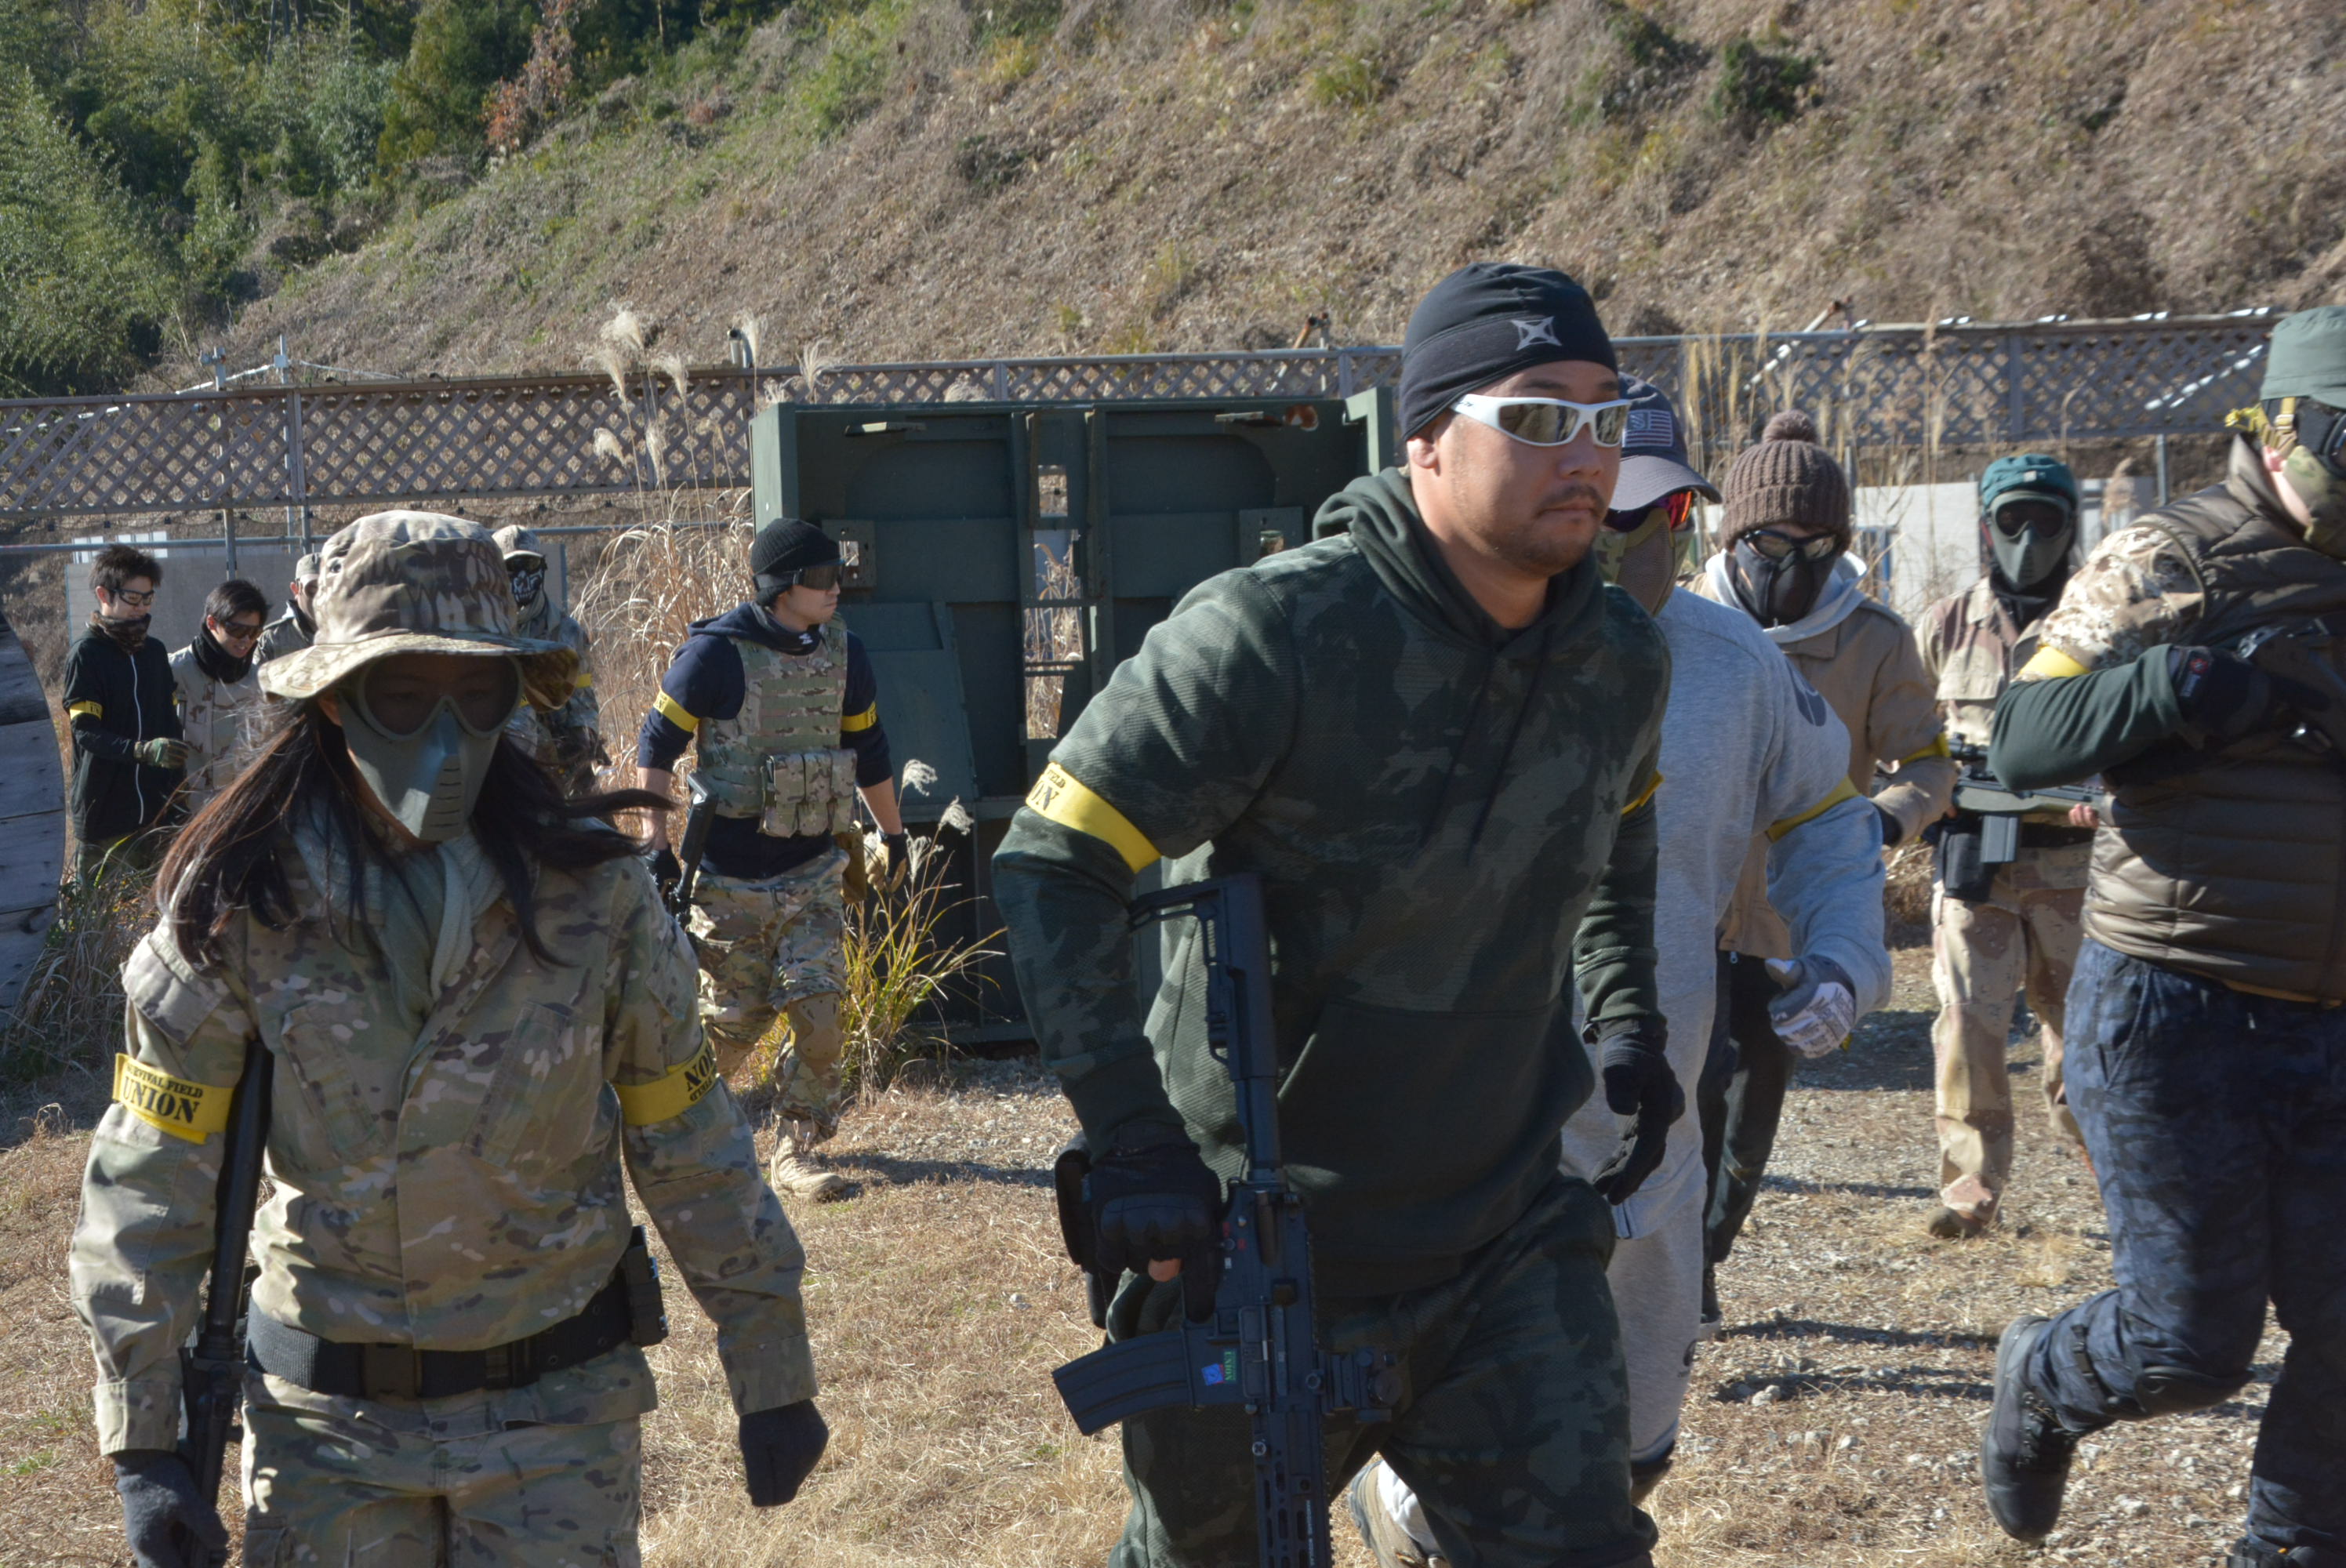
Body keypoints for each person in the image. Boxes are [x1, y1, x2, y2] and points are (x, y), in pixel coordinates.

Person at [995, 263, 1677, 1568]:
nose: (1587, 453)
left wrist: (1629, 1017)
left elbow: (1618, 838)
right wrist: (1133, 1138)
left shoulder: (1621, 661)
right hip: (1260, 1243)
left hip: (1503, 1238)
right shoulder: (1274, 636)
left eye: (1608, 417)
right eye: (1540, 417)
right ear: (1426, 440)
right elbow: (1052, 859)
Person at [68, 511, 826, 1568]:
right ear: (334, 698)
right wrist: (145, 1438)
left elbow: (686, 1128)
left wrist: (769, 1360)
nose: (445, 733)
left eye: (478, 694)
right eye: (402, 694)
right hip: (329, 1441)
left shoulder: (590, 893)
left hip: (555, 1428)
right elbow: (154, 1166)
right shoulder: (241, 901)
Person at [1349, 377, 1893, 1561]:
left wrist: (1847, 955)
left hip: (1648, 1143)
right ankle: (1413, 1512)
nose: (1611, 537)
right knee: (1464, 1468)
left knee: (1634, 1448)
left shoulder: (1734, 667)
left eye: (1644, 513)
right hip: (1459, 1152)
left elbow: (1827, 812)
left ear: (1689, 517)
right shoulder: (1416, 649)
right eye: (1590, 509)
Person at [1976, 307, 2346, 1567]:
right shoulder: (2171, 558)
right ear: (2280, 431)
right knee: (2191, 1343)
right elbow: (2022, 741)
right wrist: (2180, 686)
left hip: (2334, 1023)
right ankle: (2043, 1378)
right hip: (2176, 1010)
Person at [1692, 412, 1955, 1305]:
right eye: (1771, 542)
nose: (1792, 563)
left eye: (1817, 546)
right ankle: (1680, 1273)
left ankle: (1708, 1248)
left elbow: (1928, 762)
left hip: (1790, 924)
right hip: (1687, 905)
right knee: (1680, 1094)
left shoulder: (1874, 639)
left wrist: (1882, 822)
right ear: (1732, 537)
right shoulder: (1679, 622)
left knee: (1748, 1118)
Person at [637, 519, 906, 1202]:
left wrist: (893, 834)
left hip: (812, 869)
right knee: (732, 1026)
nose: (836, 588)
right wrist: (655, 842)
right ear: (781, 586)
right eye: (821, 577)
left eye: (839, 573)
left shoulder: (845, 653)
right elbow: (657, 743)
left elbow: (868, 749)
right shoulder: (714, 655)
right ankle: (667, 1130)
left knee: (821, 1015)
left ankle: (797, 1149)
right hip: (728, 882)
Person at [1913, 455, 2094, 1240]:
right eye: (2011, 519)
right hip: (1975, 864)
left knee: (2086, 1032)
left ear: (2071, 525)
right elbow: (1906, 737)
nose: (2027, 539)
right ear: (1986, 527)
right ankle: (1971, 1187)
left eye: (2045, 520)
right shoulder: (1945, 625)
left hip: (2075, 866)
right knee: (1967, 1026)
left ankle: (2117, 1168)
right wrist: (1932, 792)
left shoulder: (2101, 622)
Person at [63, 544, 186, 885]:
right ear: (104, 594)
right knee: (102, 910)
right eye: (133, 598)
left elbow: (169, 723)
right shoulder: (86, 654)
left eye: (148, 599)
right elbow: (85, 731)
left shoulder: (155, 652)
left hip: (158, 815)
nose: (141, 608)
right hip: (106, 816)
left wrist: (179, 793)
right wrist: (140, 751)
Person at [493, 524, 605, 793]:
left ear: (542, 568)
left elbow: (583, 698)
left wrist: (583, 743)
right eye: (512, 567)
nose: (522, 576)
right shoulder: (480, 628)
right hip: (492, 750)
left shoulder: (567, 632)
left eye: (530, 565)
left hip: (552, 753)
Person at [168, 579, 270, 815]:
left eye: (254, 632)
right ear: (212, 623)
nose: (246, 640)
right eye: (237, 630)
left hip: (239, 807)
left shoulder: (259, 681)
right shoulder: (174, 672)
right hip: (182, 809)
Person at [255, 551, 320, 665]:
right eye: (313, 589)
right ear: (296, 589)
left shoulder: (350, 635)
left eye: (331, 588)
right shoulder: (272, 640)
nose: (322, 597)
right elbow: (255, 675)